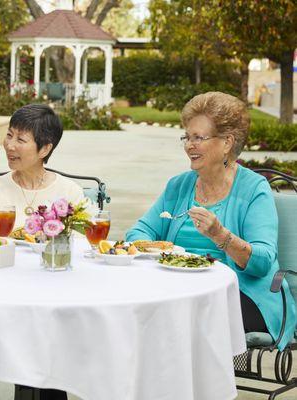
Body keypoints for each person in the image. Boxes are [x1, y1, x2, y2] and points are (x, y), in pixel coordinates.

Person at [126, 91, 296, 350]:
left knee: (172, 317)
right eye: (187, 137)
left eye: (198, 138)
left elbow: (262, 263)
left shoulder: (254, 189)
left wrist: (221, 236)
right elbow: (140, 230)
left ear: (227, 142)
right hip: (178, 290)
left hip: (239, 295)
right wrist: (154, 250)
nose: (189, 145)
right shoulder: (179, 186)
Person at [0, 104, 84, 237]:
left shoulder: (70, 193)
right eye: (9, 135)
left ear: (45, 149)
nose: (9, 145)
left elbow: (78, 248)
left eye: (20, 139)